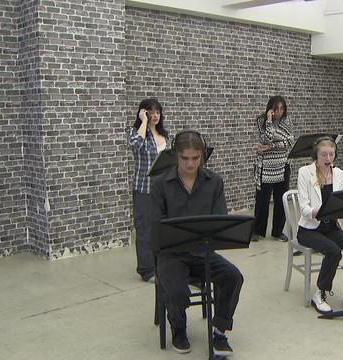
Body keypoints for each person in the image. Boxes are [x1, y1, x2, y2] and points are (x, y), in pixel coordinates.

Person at [150, 130, 243, 356]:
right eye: (185, 158)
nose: (190, 163)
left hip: (204, 252)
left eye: (195, 158)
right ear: (175, 156)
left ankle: (220, 330)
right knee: (177, 291)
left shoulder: (214, 182)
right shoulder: (161, 184)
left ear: (202, 155)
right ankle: (179, 329)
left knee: (233, 276)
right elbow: (156, 227)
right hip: (172, 254)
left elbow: (220, 219)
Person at [296, 136, 343, 313]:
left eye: (331, 155)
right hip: (309, 229)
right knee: (333, 251)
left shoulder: (340, 174)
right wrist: (319, 212)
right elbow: (303, 207)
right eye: (324, 155)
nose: (328, 159)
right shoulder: (305, 172)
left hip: (331, 227)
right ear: (316, 155)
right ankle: (320, 293)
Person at [126, 98, 170, 283]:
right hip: (144, 189)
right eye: (151, 112)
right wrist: (143, 122)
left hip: (163, 188)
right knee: (144, 229)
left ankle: (161, 265)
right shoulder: (136, 133)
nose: (155, 115)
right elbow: (135, 145)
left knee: (161, 228)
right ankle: (146, 269)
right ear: (143, 113)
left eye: (157, 112)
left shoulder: (165, 135)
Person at [252, 95, 294, 241]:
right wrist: (269, 121)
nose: (279, 112)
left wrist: (271, 147)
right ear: (270, 108)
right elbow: (265, 138)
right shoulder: (261, 120)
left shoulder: (287, 121)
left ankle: (277, 231)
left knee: (280, 199)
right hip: (266, 166)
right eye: (276, 108)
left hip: (282, 165)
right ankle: (257, 230)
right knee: (262, 200)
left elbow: (290, 141)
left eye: (282, 108)